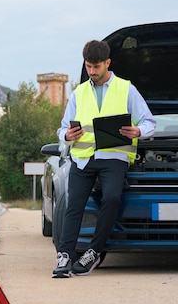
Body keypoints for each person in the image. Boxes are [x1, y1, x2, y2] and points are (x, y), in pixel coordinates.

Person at [52, 40, 156, 278]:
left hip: (114, 158)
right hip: (82, 159)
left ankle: (93, 251)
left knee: (111, 198)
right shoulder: (79, 92)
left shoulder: (126, 89)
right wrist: (67, 135)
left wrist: (138, 131)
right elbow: (62, 130)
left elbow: (149, 122)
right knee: (73, 205)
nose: (92, 71)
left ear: (108, 63)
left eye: (96, 66)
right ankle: (64, 256)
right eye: (88, 66)